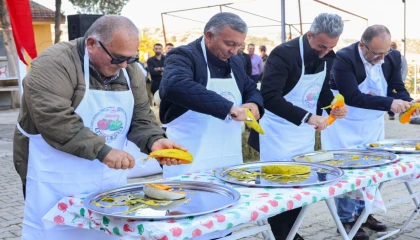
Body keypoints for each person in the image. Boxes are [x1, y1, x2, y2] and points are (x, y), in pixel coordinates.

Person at [14, 15, 185, 240]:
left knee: (102, 231)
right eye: (117, 58)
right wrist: (103, 151)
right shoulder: (53, 64)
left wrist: (154, 140)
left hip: (105, 175)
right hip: (53, 173)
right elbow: (55, 119)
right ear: (92, 43)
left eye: (130, 58)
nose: (123, 65)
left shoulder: (128, 70)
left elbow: (140, 116)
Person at [159, 12, 264, 238]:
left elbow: (250, 87)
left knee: (224, 216)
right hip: (189, 158)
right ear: (209, 36)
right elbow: (175, 85)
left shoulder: (235, 60)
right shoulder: (184, 55)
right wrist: (228, 107)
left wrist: (255, 104)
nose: (234, 50)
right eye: (230, 44)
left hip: (227, 154)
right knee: (187, 218)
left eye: (239, 45)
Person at [248, 13, 348, 240]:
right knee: (280, 187)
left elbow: (320, 91)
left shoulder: (327, 55)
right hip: (277, 131)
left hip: (302, 133)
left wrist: (332, 107)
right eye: (320, 47)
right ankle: (281, 234)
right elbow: (270, 96)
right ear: (309, 34)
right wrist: (308, 117)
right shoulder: (284, 54)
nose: (324, 53)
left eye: (330, 48)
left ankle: (290, 232)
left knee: (302, 185)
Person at [321, 25, 420, 240]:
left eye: (384, 53)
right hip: (345, 123)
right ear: (361, 45)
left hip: (372, 123)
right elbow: (352, 96)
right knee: (349, 172)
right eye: (376, 53)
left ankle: (364, 214)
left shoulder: (391, 57)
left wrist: (408, 101)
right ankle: (346, 220)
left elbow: (396, 86)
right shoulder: (344, 58)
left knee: (373, 170)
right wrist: (389, 103)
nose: (381, 58)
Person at [388, 41, 408, 120]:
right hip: (388, 82)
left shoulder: (399, 56)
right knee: (390, 98)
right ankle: (391, 114)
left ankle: (403, 110)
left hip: (398, 81)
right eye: (391, 45)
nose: (392, 47)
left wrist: (401, 79)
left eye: (393, 45)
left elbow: (404, 69)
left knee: (400, 97)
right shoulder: (383, 55)